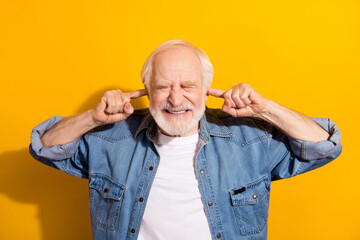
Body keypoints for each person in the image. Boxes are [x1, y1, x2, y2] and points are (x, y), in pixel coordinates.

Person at [29, 40, 342, 240]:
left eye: (188, 85)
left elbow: (324, 145)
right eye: (163, 86)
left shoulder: (250, 139)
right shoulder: (110, 139)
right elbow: (45, 146)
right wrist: (93, 119)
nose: (175, 99)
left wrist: (267, 110)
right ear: (146, 89)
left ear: (207, 88)